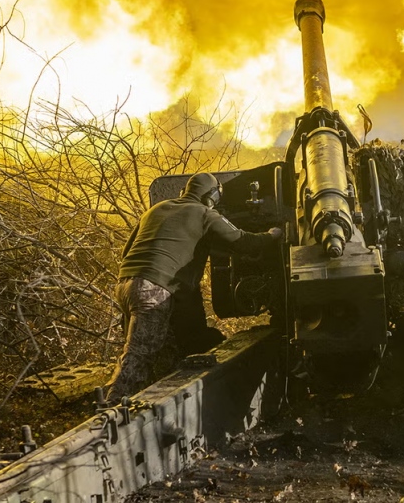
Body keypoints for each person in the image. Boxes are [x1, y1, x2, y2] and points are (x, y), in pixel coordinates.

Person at [105, 172, 283, 401]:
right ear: (211, 196)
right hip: (154, 290)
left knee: (165, 352)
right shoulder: (204, 213)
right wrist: (271, 235)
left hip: (126, 284)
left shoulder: (156, 209)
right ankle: (112, 405)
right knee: (140, 353)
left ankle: (153, 401)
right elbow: (242, 241)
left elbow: (126, 251)